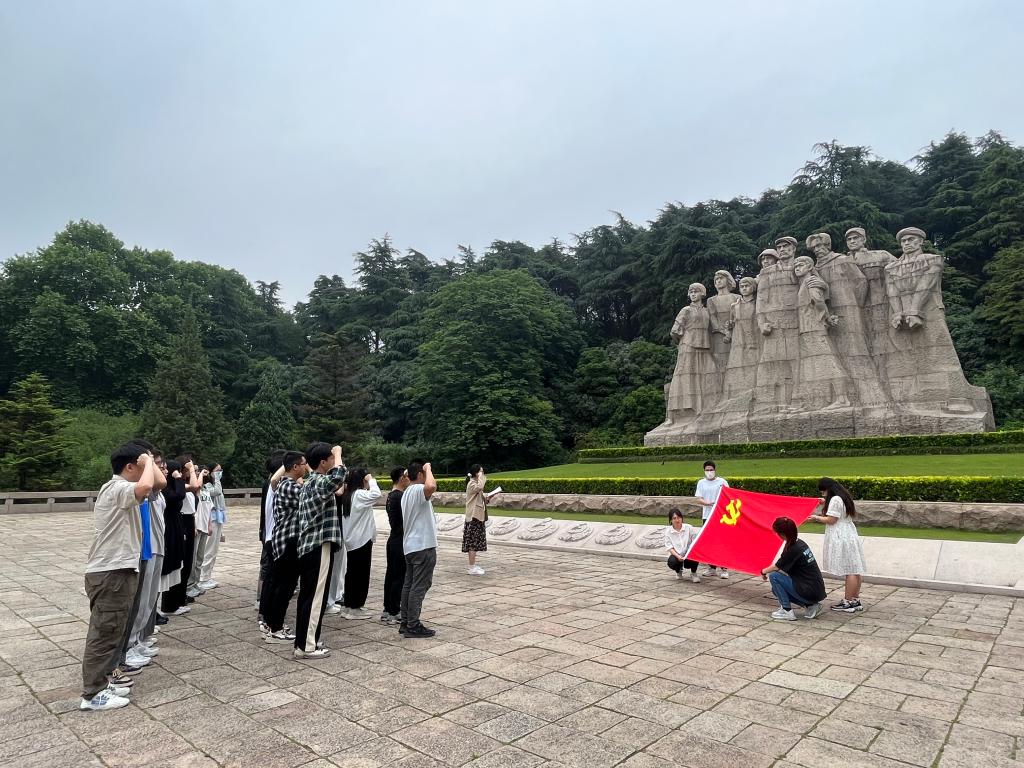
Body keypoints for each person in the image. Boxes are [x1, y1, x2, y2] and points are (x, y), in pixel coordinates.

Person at [80, 443, 156, 711]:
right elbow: (146, 487)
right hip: (111, 572)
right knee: (104, 633)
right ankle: (92, 694)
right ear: (130, 466)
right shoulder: (117, 488)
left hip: (118, 570)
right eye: (141, 465)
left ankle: (102, 681)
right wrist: (148, 462)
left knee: (113, 631)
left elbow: (156, 483)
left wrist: (148, 461)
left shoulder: (122, 489)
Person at [293, 443, 347, 659]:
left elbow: (337, 484)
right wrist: (338, 452)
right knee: (316, 597)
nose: (335, 461)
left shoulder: (312, 482)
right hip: (318, 546)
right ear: (323, 462)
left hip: (310, 546)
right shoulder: (318, 482)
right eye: (331, 458)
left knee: (309, 595)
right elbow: (339, 476)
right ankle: (307, 646)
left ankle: (305, 641)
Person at [263, 451, 307, 643]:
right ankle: (276, 628)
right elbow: (312, 496)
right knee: (285, 587)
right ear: (295, 467)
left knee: (281, 585)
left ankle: (272, 624)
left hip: (283, 541)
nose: (306, 467)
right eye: (304, 464)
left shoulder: (282, 483)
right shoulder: (289, 486)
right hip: (288, 542)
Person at [808, 477, 867, 613]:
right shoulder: (844, 496)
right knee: (855, 569)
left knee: (850, 570)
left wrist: (816, 518)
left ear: (828, 489)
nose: (823, 494)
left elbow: (831, 519)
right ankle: (855, 600)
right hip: (849, 533)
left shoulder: (835, 499)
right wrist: (825, 502)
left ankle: (847, 602)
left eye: (823, 491)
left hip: (841, 536)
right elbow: (839, 511)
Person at [760, 517, 827, 621]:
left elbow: (777, 567)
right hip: (815, 589)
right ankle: (810, 606)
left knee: (774, 577)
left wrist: (763, 571)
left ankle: (787, 611)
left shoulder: (793, 548)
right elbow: (783, 566)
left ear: (782, 534)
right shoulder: (799, 543)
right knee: (776, 589)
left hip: (809, 590)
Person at [400, 460, 439, 638]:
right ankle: (413, 624)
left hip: (411, 546)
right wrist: (428, 468)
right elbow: (431, 486)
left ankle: (406, 621)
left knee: (409, 585)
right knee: (419, 586)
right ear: (420, 475)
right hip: (423, 545)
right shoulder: (417, 489)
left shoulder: (407, 492)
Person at [338, 467, 381, 620]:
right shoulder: (360, 494)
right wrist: (371, 479)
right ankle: (355, 607)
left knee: (352, 573)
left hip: (352, 540)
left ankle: (349, 606)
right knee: (361, 575)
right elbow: (377, 494)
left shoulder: (348, 495)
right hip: (362, 540)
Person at [257, 450, 286, 621]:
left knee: (269, 570)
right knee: (270, 572)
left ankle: (263, 605)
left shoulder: (270, 483)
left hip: (268, 533)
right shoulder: (274, 484)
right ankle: (264, 607)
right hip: (272, 535)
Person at [159, 460, 189, 616]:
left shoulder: (170, 487)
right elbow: (180, 495)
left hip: (176, 524)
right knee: (169, 564)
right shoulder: (165, 489)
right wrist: (178, 478)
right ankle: (167, 605)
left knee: (178, 563)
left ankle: (173, 603)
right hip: (169, 527)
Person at [381, 466, 409, 625]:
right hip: (399, 541)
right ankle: (394, 611)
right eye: (406, 476)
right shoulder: (400, 496)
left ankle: (388, 608)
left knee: (391, 576)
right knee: (399, 577)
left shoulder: (391, 495)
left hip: (393, 540)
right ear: (401, 478)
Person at [695, 460, 729, 578]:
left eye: (711, 469)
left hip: (720, 516)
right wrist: (708, 503)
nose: (709, 472)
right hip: (707, 516)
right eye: (707, 470)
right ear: (704, 471)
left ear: (715, 470)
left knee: (721, 541)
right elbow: (699, 498)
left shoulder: (722, 482)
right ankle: (711, 567)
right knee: (709, 542)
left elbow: (729, 496)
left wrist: (719, 504)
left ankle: (724, 568)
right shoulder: (701, 483)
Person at [197, 463, 226, 591]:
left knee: (213, 550)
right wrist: (217, 479)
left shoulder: (213, 484)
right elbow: (217, 492)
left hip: (218, 519)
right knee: (208, 550)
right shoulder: (207, 485)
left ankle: (207, 576)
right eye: (217, 470)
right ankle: (203, 577)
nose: (220, 472)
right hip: (211, 520)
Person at [188, 466, 213, 598]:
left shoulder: (206, 490)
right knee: (192, 559)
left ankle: (196, 583)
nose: (199, 473)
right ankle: (189, 584)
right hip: (197, 527)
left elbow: (209, 507)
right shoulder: (194, 490)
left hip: (204, 527)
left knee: (200, 558)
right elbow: (196, 486)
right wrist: (201, 474)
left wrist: (209, 525)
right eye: (196, 471)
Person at [463, 464, 492, 575]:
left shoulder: (475, 484)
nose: (482, 473)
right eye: (481, 471)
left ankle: (473, 565)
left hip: (478, 516)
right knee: (472, 543)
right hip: (473, 516)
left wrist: (488, 498)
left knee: (475, 542)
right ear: (476, 473)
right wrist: (481, 478)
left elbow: (482, 497)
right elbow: (480, 487)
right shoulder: (472, 484)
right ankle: (471, 567)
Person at [664, 509, 700, 583]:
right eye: (674, 518)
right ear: (671, 520)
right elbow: (670, 547)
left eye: (679, 517)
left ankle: (693, 573)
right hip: (677, 554)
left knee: (696, 554)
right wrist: (678, 556)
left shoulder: (689, 527)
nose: (677, 520)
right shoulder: (668, 532)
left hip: (689, 552)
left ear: (682, 518)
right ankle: (678, 571)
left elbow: (695, 540)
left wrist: (688, 552)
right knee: (672, 562)